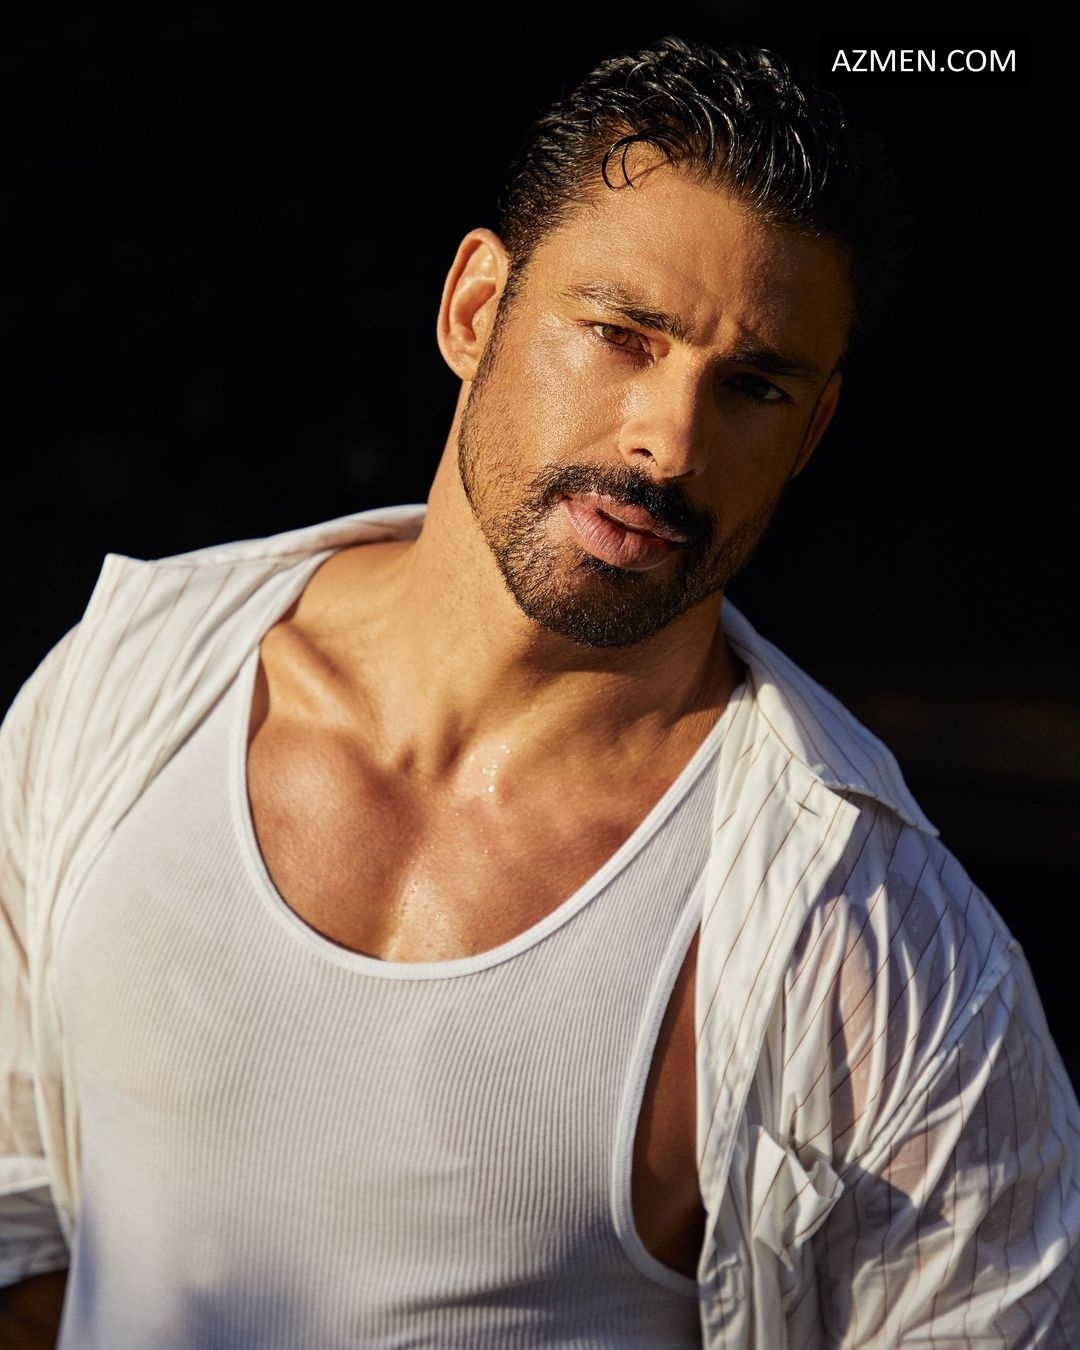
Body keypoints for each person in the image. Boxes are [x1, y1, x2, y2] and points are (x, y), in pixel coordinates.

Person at [1, 31, 1077, 1349]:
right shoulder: (132, 677)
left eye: (752, 387)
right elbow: (17, 1230)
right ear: (474, 310)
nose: (668, 443)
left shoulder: (881, 947)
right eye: (622, 336)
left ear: (810, 433)